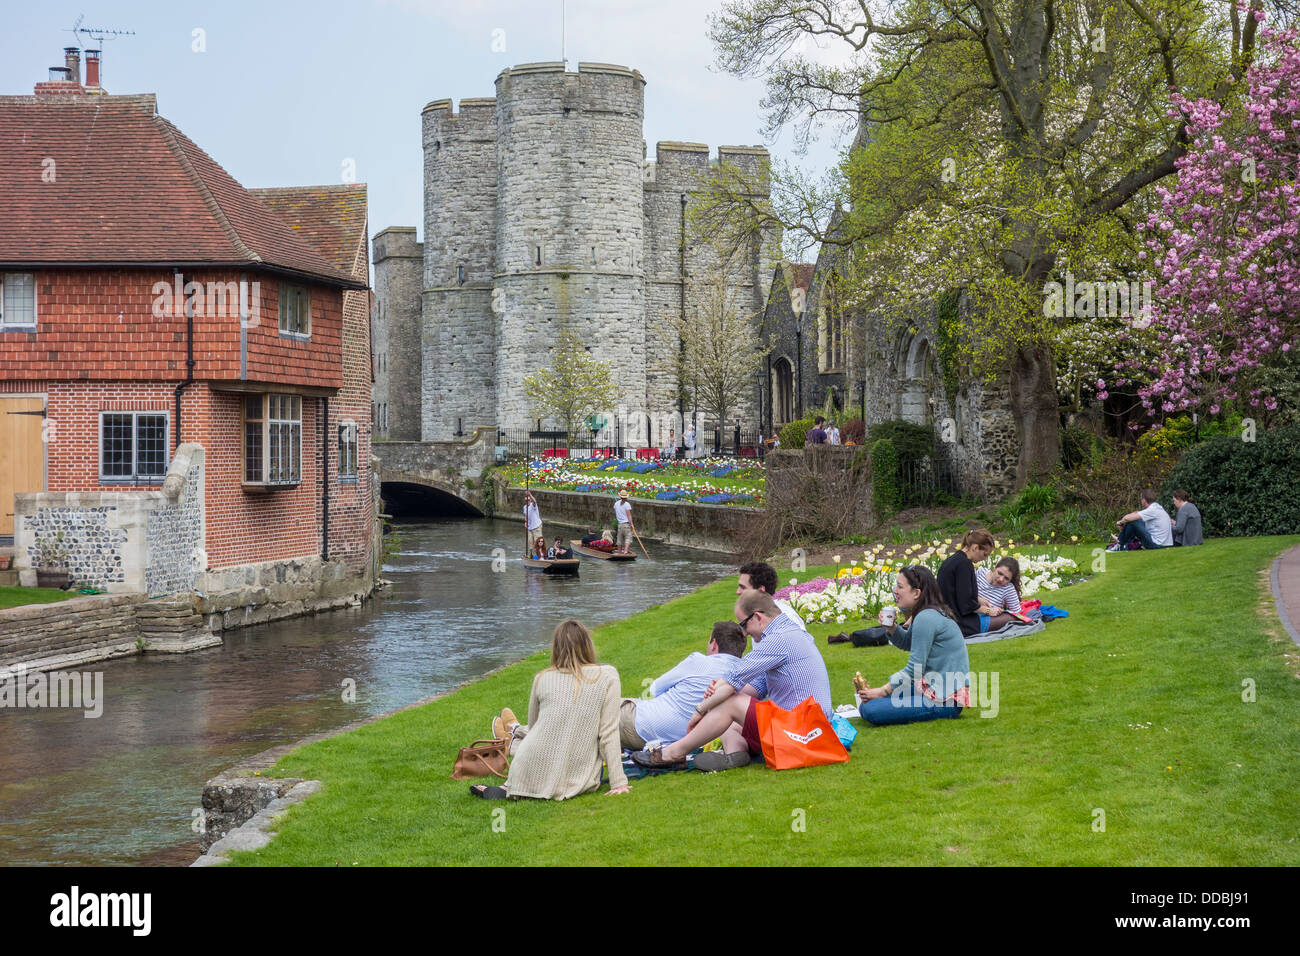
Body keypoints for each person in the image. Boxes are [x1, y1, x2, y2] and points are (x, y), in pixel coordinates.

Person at [632, 589, 833, 773]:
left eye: (743, 625)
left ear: (757, 617)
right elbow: (754, 687)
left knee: (729, 701)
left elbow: (733, 679)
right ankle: (736, 755)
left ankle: (672, 754)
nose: (745, 633)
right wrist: (717, 693)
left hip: (807, 734)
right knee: (729, 702)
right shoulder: (788, 635)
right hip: (804, 728)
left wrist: (701, 709)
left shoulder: (778, 640)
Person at [470, 620, 630, 800]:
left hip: (528, 763)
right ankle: (513, 742)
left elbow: (534, 727)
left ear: (555, 647)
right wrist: (618, 782)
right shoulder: (607, 676)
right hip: (578, 773)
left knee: (536, 737)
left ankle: (513, 780)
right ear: (587, 644)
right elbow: (608, 732)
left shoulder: (542, 678)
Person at [855, 566, 970, 726]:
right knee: (869, 704)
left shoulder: (926, 617)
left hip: (944, 701)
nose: (895, 591)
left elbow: (914, 670)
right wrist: (892, 628)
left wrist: (883, 690)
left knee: (870, 709)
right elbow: (908, 643)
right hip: (932, 690)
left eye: (900, 587)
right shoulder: (927, 613)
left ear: (916, 593)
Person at [618, 622, 747, 750]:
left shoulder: (699, 661)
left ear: (714, 644)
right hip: (680, 740)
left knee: (601, 701)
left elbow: (655, 688)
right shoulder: (745, 677)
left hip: (640, 724)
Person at [937, 529, 1012, 638]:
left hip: (947, 619)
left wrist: (978, 599)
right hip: (961, 624)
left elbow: (956, 592)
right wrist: (989, 611)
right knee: (1010, 618)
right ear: (975, 547)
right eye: (984, 554)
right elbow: (966, 604)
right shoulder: (965, 565)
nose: (984, 558)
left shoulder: (951, 561)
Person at [1107, 488, 1173, 551]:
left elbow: (1127, 518)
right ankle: (1121, 543)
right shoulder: (1158, 508)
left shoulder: (1152, 510)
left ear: (1144, 500)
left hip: (1158, 545)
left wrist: (1120, 522)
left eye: (1141, 499)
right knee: (1136, 522)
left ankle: (1120, 545)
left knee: (1133, 522)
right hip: (1166, 544)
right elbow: (1136, 515)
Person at [614, 489, 635, 555]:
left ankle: (619, 552)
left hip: (620, 524)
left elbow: (616, 512)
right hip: (626, 524)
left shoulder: (616, 503)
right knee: (628, 537)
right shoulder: (627, 504)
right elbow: (629, 515)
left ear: (620, 497)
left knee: (619, 538)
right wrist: (632, 524)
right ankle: (625, 551)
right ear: (626, 497)